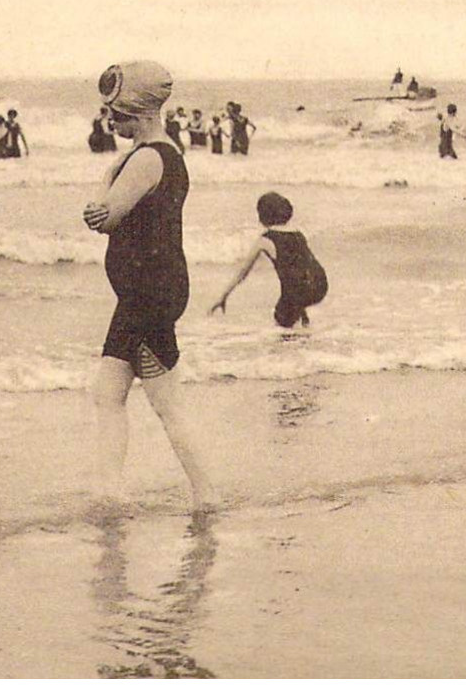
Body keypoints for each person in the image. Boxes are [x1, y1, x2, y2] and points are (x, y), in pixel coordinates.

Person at [83, 61, 217, 512]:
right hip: (150, 289)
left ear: (139, 114)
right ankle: (110, 493)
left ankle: (207, 495)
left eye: (115, 114)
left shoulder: (144, 158)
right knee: (108, 393)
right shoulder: (164, 153)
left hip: (148, 293)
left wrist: (100, 192)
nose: (110, 122)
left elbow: (105, 218)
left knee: (166, 404)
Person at [209, 192, 329, 328]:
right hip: (320, 284)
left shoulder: (265, 239)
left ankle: (292, 340)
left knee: (281, 325)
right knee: (293, 305)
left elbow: (243, 272)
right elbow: (300, 266)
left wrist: (223, 296)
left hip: (296, 290)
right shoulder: (298, 233)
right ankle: (303, 329)